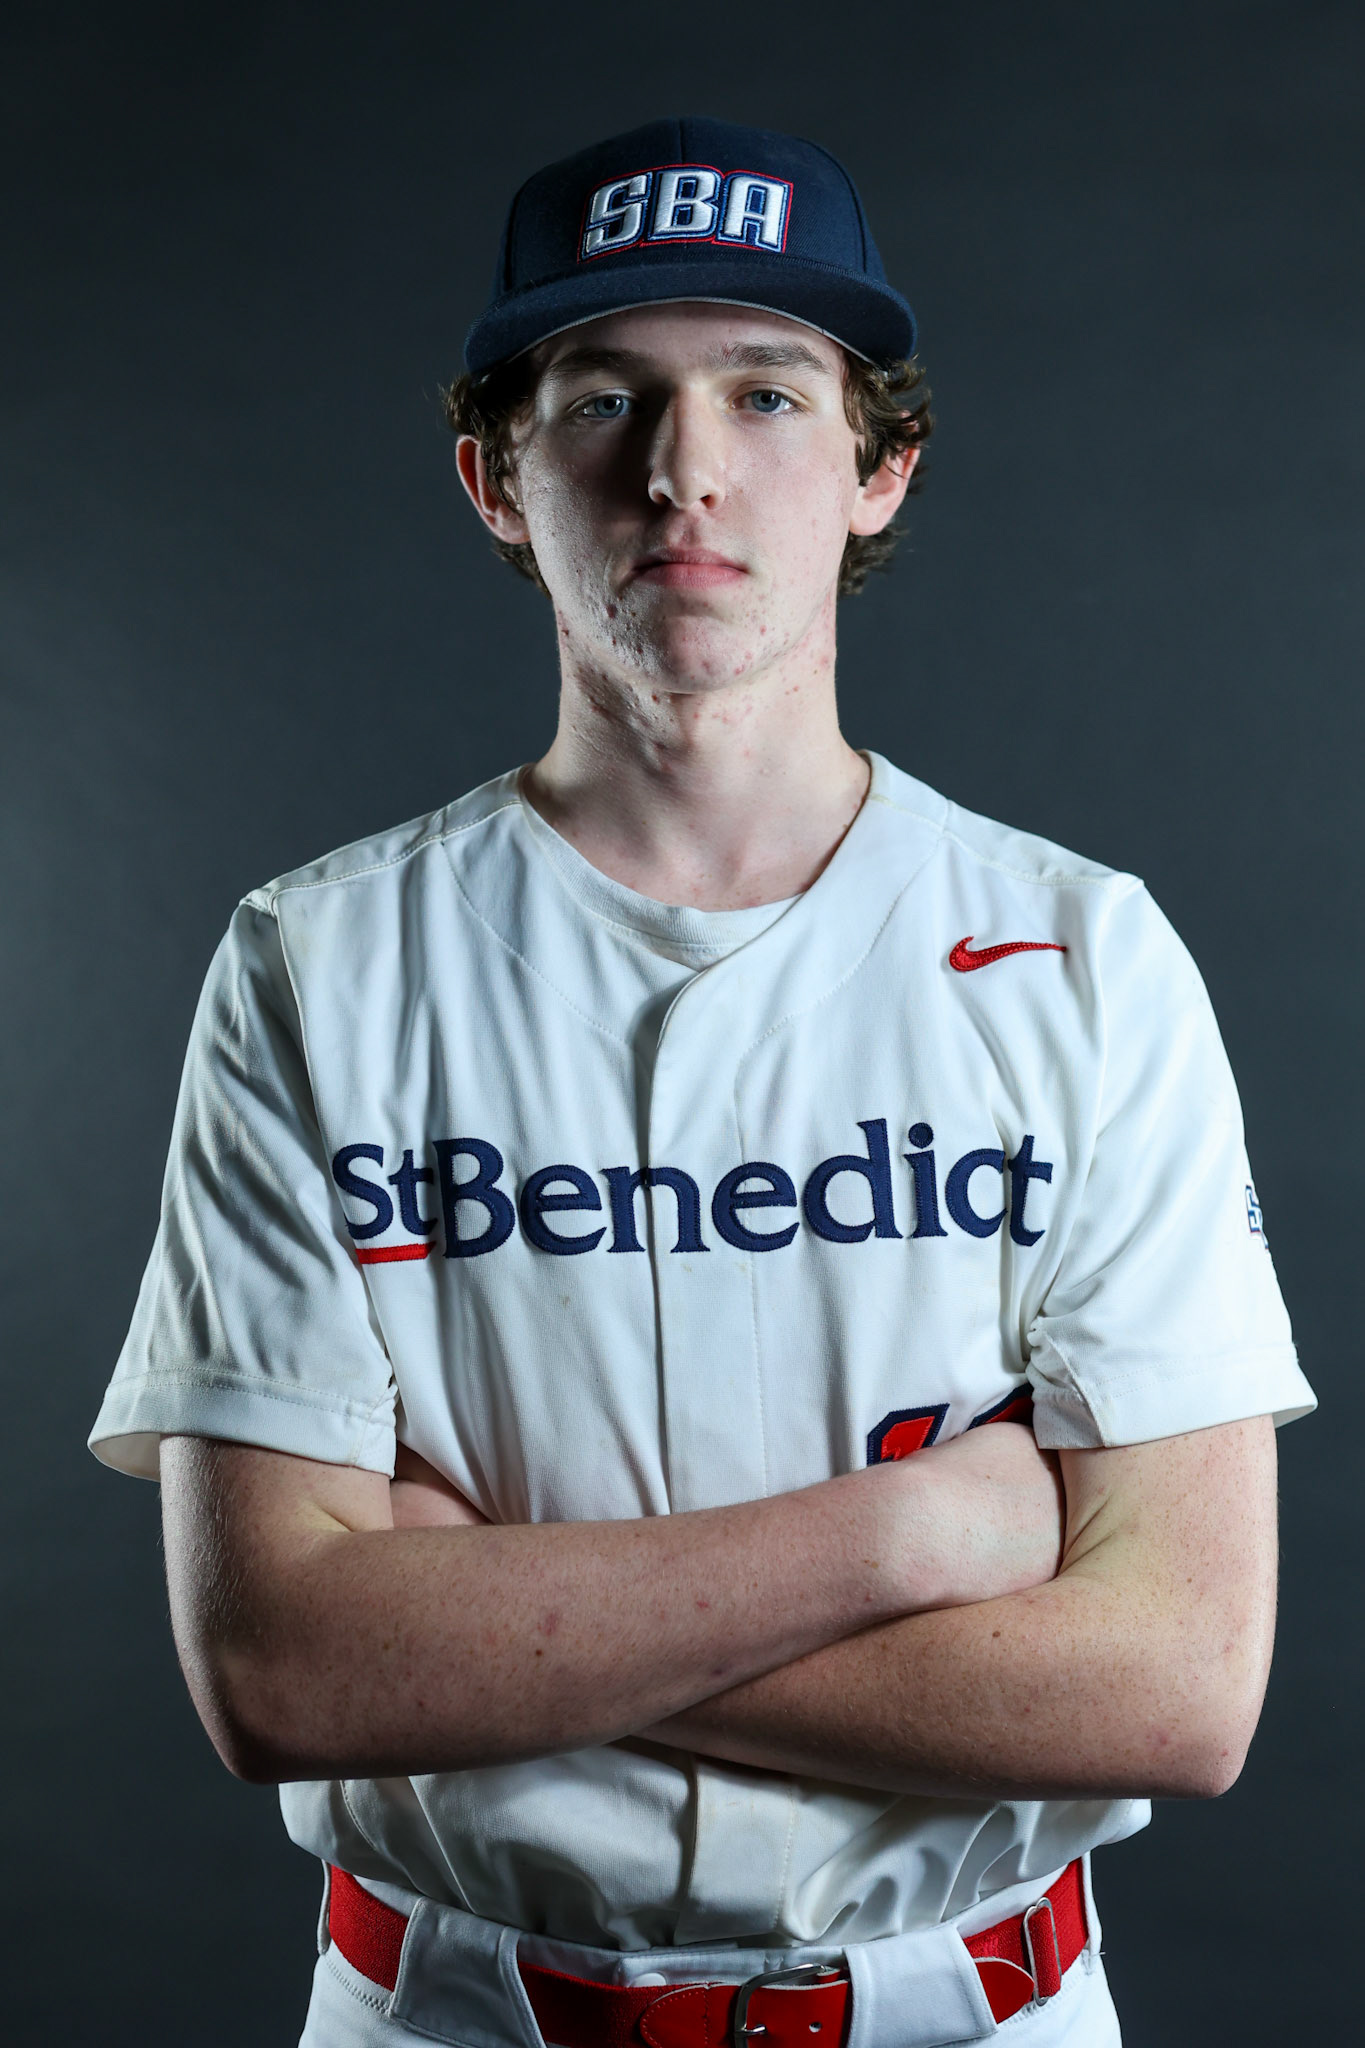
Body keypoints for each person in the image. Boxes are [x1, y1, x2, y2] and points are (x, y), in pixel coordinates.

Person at [90, 117, 1315, 2048]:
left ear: (876, 462)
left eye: (766, 391)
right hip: (456, 2014)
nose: (684, 472)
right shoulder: (315, 964)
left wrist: (472, 1624)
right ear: (495, 475)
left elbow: (1172, 1691)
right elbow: (283, 1679)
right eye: (602, 398)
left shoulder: (1085, 955)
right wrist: (903, 1545)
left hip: (969, 2013)